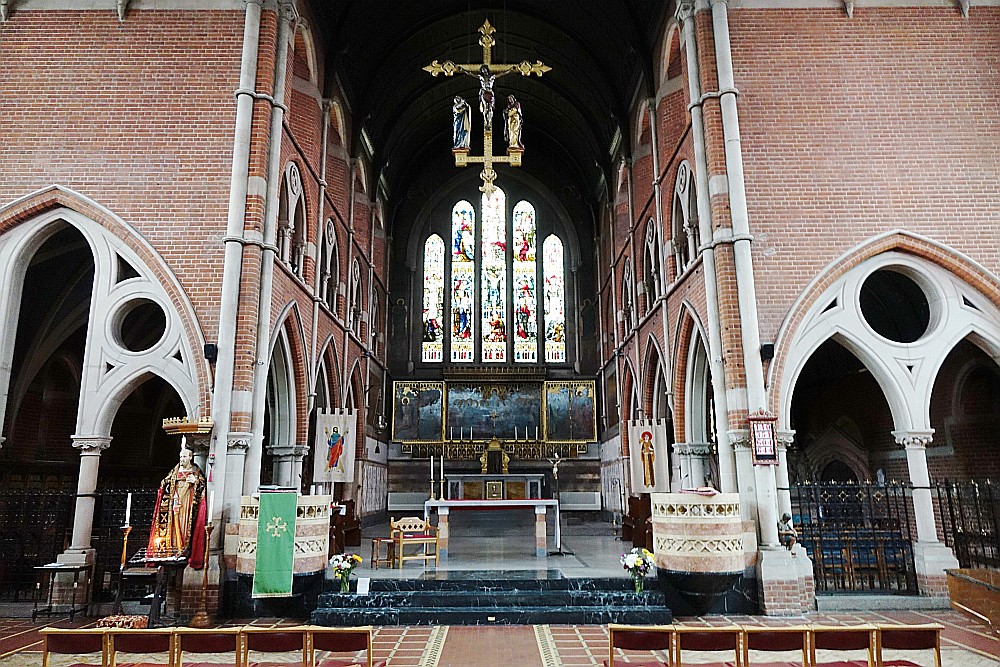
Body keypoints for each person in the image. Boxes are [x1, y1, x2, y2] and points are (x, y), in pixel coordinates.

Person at [147, 441, 207, 568]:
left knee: (184, 526)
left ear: (190, 457)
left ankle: (183, 548)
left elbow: (202, 486)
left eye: (184, 456)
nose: (182, 459)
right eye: (180, 456)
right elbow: (164, 483)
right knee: (174, 525)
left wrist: (195, 482)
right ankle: (173, 547)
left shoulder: (195, 471)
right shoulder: (175, 471)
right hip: (175, 502)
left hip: (187, 504)